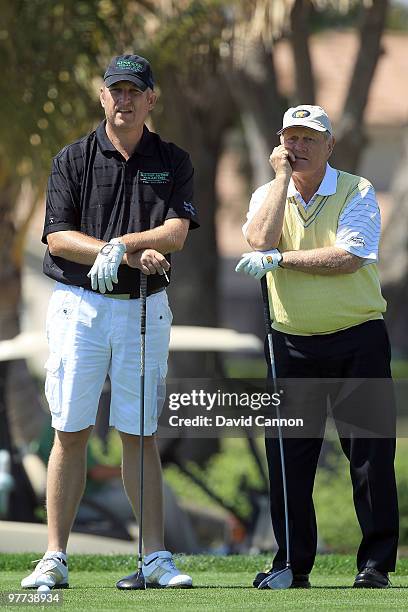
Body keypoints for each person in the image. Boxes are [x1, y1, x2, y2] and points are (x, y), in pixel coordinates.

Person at [21, 54, 199, 590]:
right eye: (114, 90)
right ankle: (54, 557)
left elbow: (176, 232)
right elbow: (56, 237)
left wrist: (124, 244)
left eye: (133, 91)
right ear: (102, 97)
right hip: (80, 309)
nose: (123, 100)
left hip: (146, 307)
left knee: (139, 433)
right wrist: (118, 254)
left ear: (151, 99)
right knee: (69, 430)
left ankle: (154, 558)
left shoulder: (172, 159)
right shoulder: (72, 158)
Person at [236, 105, 399, 588]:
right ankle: (291, 565)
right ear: (279, 143)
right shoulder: (268, 194)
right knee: (289, 459)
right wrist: (280, 182)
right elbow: (257, 238)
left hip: (359, 341)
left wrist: (279, 259)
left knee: (369, 457)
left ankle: (374, 565)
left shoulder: (358, 190)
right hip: (291, 345)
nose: (299, 147)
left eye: (310, 139)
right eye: (292, 138)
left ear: (330, 146)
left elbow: (348, 257)